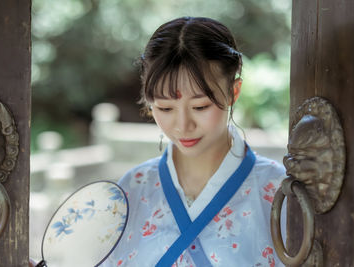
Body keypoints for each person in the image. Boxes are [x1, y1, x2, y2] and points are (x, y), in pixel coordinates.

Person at [101, 16, 286, 267]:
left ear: (234, 92)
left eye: (200, 106)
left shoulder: (278, 191)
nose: (183, 125)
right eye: (165, 108)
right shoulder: (131, 189)